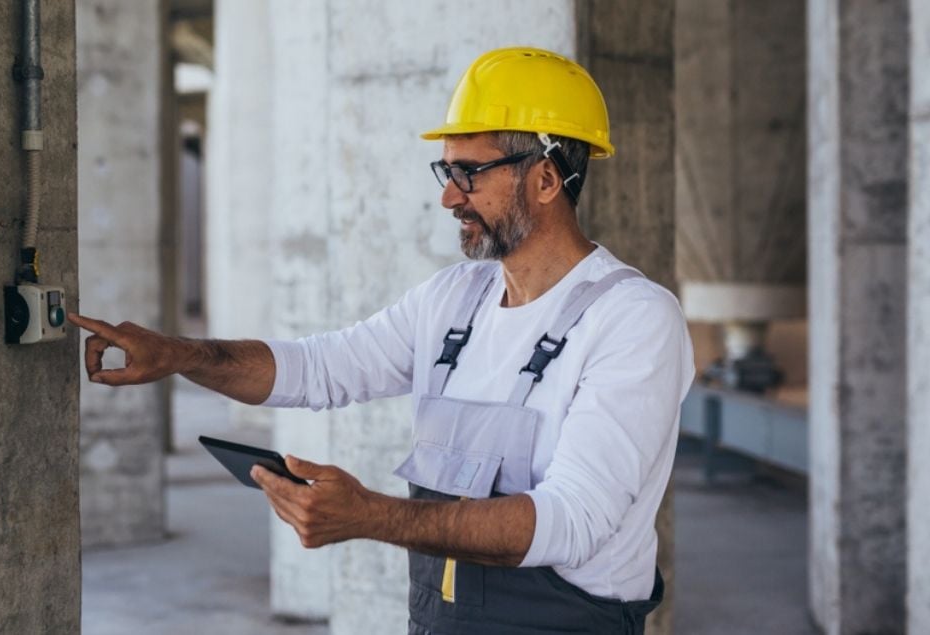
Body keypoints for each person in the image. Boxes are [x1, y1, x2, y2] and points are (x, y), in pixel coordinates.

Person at [70, 47, 693, 635]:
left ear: (548, 180)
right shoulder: (454, 301)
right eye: (446, 171)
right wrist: (179, 355)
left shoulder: (632, 320)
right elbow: (316, 369)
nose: (449, 196)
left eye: (469, 174)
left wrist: (371, 516)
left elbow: (571, 522)